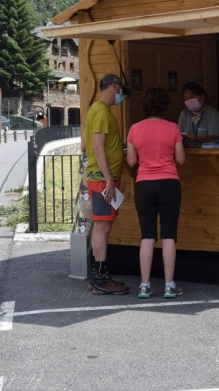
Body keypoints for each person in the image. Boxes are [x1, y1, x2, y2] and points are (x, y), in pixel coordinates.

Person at [127, 87, 186, 299]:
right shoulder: (173, 128)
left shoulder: (134, 129)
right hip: (169, 183)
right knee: (169, 235)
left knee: (147, 235)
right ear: (164, 107)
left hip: (144, 184)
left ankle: (144, 285)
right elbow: (181, 159)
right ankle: (169, 285)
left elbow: (132, 161)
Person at [84, 73, 130, 295]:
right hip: (102, 179)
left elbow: (87, 144)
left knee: (104, 225)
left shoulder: (96, 110)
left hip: (101, 177)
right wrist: (109, 178)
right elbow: (97, 147)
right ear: (114, 86)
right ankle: (100, 278)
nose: (122, 95)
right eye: (121, 89)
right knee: (102, 226)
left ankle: (100, 275)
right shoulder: (102, 111)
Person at [177, 81, 219, 146]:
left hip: (207, 154)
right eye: (186, 99)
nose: (189, 101)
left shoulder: (213, 113)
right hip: (187, 153)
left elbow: (214, 138)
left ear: (202, 97)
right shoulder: (184, 114)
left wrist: (198, 139)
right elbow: (178, 136)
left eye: (192, 97)